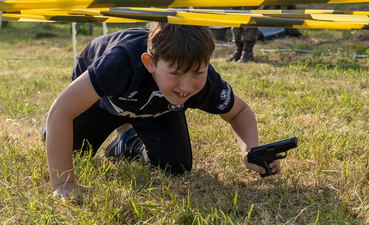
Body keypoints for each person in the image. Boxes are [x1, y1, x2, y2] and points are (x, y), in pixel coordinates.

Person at [43, 22, 280, 201]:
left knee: (175, 167)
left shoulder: (204, 81)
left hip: (157, 109)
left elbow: (239, 111)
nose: (187, 87)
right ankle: (114, 126)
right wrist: (63, 183)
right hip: (102, 103)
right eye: (176, 73)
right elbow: (61, 112)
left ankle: (128, 140)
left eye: (198, 72)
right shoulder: (118, 63)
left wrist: (250, 150)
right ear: (149, 63)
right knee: (71, 149)